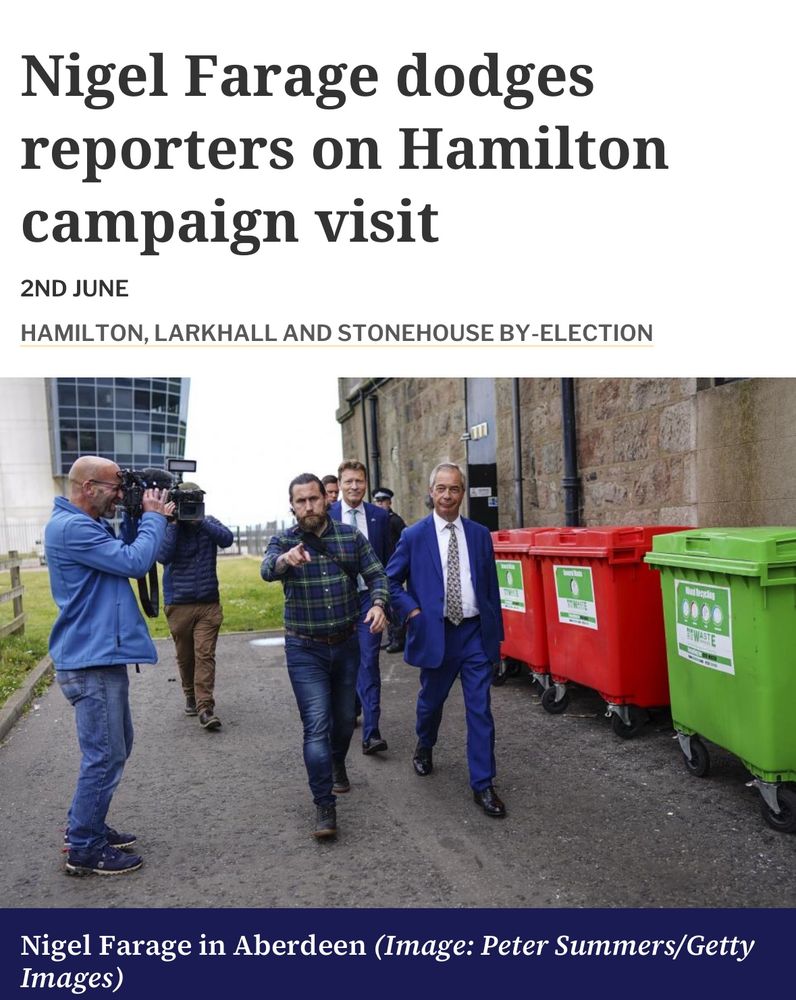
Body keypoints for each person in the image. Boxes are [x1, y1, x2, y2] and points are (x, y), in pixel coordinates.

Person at [44, 456, 174, 875]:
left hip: (100, 655)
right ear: (89, 487)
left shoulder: (87, 524)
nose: (120, 495)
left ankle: (86, 825)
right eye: (116, 488)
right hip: (91, 660)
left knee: (116, 748)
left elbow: (127, 553)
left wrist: (139, 515)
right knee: (103, 756)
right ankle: (84, 847)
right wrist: (154, 516)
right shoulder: (73, 528)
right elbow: (135, 562)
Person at [261, 473, 388, 839]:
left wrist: (378, 604)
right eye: (300, 501)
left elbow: (377, 575)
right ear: (292, 506)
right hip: (305, 649)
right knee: (316, 725)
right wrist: (285, 561)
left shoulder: (350, 537)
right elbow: (267, 569)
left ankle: (336, 762)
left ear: (326, 500)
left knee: (345, 720)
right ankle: (324, 804)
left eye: (313, 499)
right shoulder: (284, 540)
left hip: (346, 644)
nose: (308, 506)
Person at [386, 462, 507, 818]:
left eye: (454, 489)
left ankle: (483, 784)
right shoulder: (414, 536)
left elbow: (491, 590)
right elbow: (390, 581)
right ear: (431, 492)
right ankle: (425, 743)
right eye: (441, 488)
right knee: (431, 703)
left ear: (462, 493)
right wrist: (412, 611)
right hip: (437, 634)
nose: (447, 495)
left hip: (473, 634)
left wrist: (496, 641)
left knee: (480, 709)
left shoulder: (479, 535)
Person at [328, 460, 393, 755]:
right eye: (349, 481)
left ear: (366, 483)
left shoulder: (380, 517)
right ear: (340, 484)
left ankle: (372, 732)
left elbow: (388, 562)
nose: (354, 486)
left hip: (369, 599)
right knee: (343, 661)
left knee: (368, 661)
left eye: (359, 481)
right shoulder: (328, 514)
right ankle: (351, 706)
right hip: (338, 601)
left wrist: (385, 601)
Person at [157, 482, 234, 730]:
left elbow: (227, 539)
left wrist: (200, 522)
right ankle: (190, 695)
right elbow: (162, 556)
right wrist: (172, 524)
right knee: (186, 656)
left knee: (204, 654)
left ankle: (205, 707)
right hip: (178, 604)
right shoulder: (168, 526)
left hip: (208, 603)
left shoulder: (208, 522)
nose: (190, 508)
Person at [372, 487, 407, 653]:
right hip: (381, 566)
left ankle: (399, 639)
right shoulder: (377, 520)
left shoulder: (395, 520)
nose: (380, 504)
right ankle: (392, 637)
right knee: (386, 606)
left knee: (394, 605)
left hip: (393, 567)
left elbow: (406, 540)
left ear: (389, 502)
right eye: (377, 501)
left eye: (383, 501)